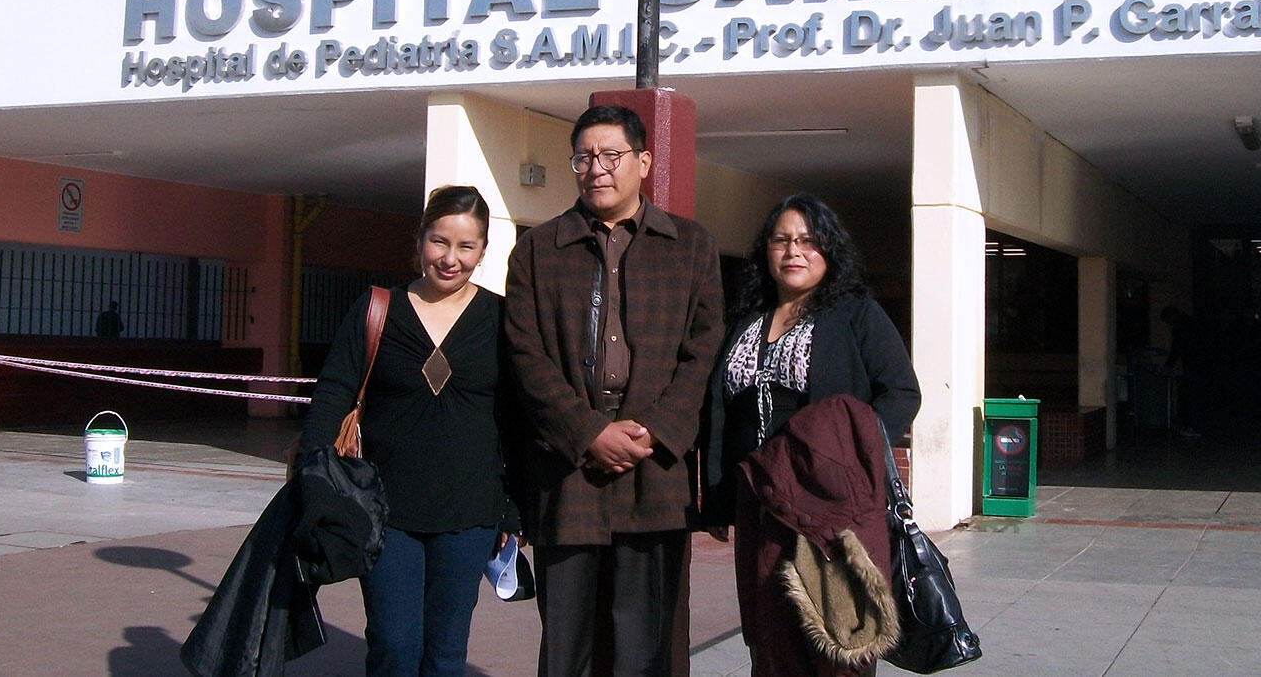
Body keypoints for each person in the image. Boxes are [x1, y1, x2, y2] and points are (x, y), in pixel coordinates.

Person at [504, 104, 725, 677]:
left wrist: (655, 430)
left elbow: (703, 351)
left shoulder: (691, 246)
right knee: (567, 646)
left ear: (644, 162)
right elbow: (527, 357)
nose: (596, 168)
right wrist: (587, 432)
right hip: (569, 469)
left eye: (611, 155)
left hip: (655, 469)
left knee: (649, 643)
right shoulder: (537, 250)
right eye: (584, 156)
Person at [299, 185, 520, 677]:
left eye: (466, 246)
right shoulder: (377, 309)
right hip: (384, 510)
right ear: (420, 240)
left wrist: (514, 507)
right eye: (440, 242)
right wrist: (313, 480)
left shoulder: (501, 319)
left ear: (483, 251)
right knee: (394, 647)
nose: (450, 258)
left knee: (445, 655)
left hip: (470, 512)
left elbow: (516, 418)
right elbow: (333, 395)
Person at [700, 193, 921, 676]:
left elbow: (901, 392)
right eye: (781, 240)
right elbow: (720, 411)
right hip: (759, 507)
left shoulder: (856, 313)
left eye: (807, 241)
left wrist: (849, 456)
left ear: (829, 251)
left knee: (836, 642)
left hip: (829, 507)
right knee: (769, 637)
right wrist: (717, 498)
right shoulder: (745, 321)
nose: (793, 251)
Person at [1160, 305, 1208, 438]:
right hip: (1199, 364)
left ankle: (1193, 426)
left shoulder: (1182, 328)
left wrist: (1168, 365)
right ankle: (1195, 425)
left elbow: (1178, 348)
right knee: (1194, 395)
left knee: (1190, 396)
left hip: (1194, 365)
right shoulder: (1190, 323)